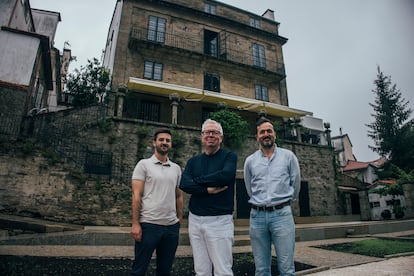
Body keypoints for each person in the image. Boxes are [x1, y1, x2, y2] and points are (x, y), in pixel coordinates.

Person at [179, 119, 238, 276]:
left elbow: (226, 176)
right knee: (201, 269)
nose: (211, 135)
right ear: (202, 136)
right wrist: (206, 190)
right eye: (207, 132)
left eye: (215, 132)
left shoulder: (229, 157)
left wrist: (197, 181)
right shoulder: (193, 161)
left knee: (222, 270)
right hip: (195, 220)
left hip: (219, 220)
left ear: (221, 137)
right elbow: (184, 184)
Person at [243, 117, 301, 276]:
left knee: (287, 269)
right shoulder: (250, 161)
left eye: (269, 131)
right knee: (261, 270)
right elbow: (249, 188)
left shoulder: (288, 157)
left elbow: (295, 184)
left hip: (282, 215)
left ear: (274, 134)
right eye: (262, 132)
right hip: (257, 217)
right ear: (257, 136)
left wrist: (286, 202)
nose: (266, 134)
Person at [130, 128, 183, 276]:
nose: (164, 143)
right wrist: (135, 223)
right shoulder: (144, 165)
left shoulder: (176, 169)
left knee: (165, 270)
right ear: (154, 143)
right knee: (139, 269)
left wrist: (179, 219)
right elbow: (136, 195)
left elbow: (178, 196)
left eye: (167, 140)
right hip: (149, 225)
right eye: (161, 140)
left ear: (171, 144)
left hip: (171, 228)